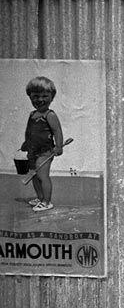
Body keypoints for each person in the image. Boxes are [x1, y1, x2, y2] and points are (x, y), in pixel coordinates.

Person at [20, 77, 64, 212]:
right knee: (33, 174)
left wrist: (59, 146)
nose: (40, 100)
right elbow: (30, 132)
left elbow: (57, 131)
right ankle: (40, 198)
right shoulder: (32, 114)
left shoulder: (49, 115)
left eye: (45, 96)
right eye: (35, 96)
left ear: (52, 97)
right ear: (30, 97)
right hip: (32, 151)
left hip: (45, 151)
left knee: (42, 176)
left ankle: (47, 201)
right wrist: (26, 143)